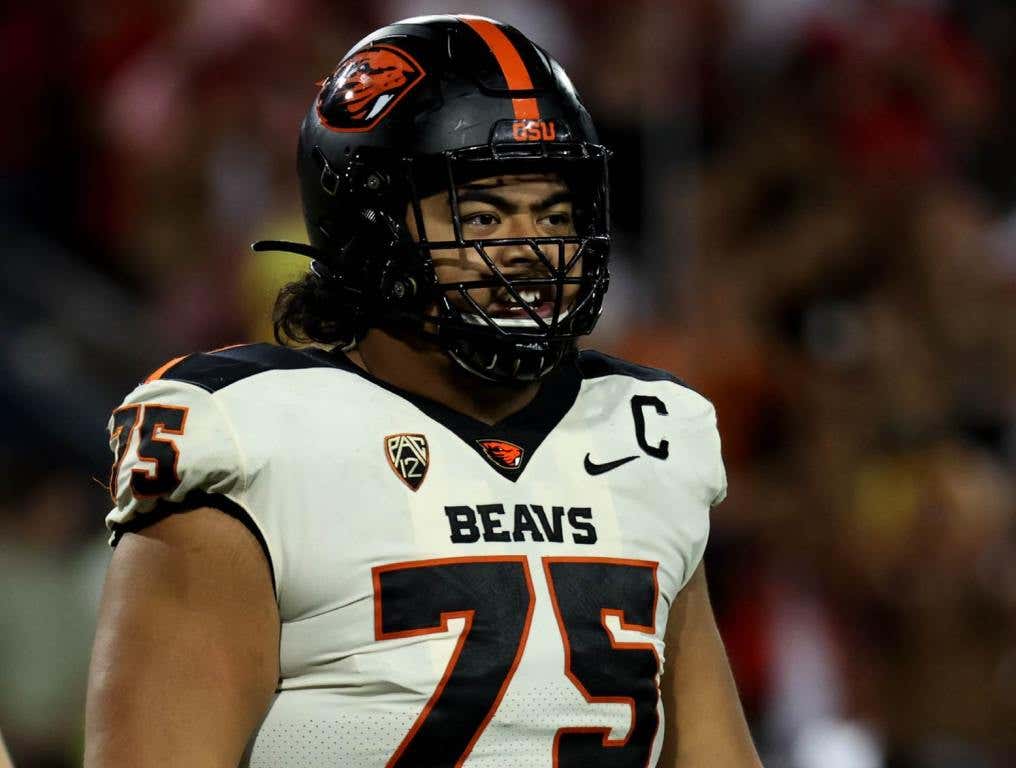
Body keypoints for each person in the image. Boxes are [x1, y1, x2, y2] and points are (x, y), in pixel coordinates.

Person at [85, 15, 762, 768]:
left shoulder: (646, 436)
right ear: (369, 228)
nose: (532, 249)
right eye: (482, 215)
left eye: (556, 214)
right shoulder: (254, 440)